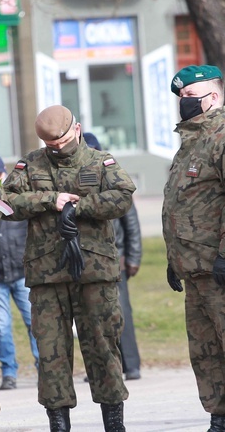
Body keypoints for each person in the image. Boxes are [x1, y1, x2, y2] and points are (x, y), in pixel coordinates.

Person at [3, 105, 136, 432]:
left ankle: (114, 425)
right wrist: (50, 200)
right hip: (47, 275)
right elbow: (6, 203)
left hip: (95, 273)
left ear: (76, 129)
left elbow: (122, 197)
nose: (57, 148)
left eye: (61, 141)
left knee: (103, 350)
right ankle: (59, 425)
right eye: (50, 144)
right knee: (51, 357)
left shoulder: (100, 161)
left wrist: (79, 206)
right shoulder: (29, 164)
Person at [162, 65, 225, 431]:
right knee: (204, 352)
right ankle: (218, 416)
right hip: (195, 267)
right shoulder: (192, 142)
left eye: (191, 97)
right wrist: (176, 260)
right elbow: (184, 204)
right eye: (181, 98)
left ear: (214, 97)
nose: (183, 104)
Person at [83, 132, 142, 381]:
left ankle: (131, 364)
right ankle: (101, 366)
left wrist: (133, 257)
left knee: (121, 313)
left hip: (115, 258)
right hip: (87, 259)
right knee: (90, 316)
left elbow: (132, 223)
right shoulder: (79, 183)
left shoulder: (113, 180)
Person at [0, 152, 39, 391]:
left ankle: (44, 368)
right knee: (1, 326)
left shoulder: (16, 196)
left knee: (34, 322)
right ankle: (8, 373)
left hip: (22, 272)